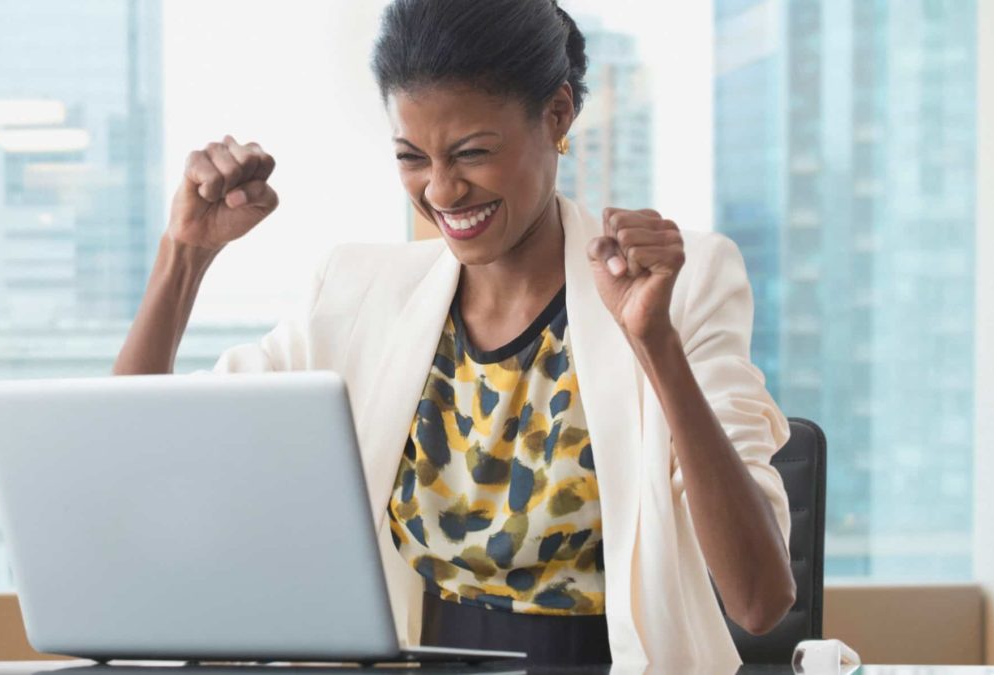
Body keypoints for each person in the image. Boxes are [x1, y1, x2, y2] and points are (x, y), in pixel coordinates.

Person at [114, 0, 794, 666]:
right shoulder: (359, 294)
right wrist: (185, 254)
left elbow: (760, 600)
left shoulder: (686, 281)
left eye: (471, 153)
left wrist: (656, 346)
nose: (441, 190)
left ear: (557, 114)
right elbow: (134, 460)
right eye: (413, 157)